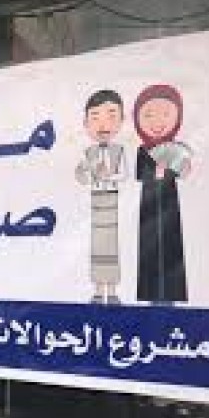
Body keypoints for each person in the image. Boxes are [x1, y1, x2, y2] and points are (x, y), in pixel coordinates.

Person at [133, 84, 191, 303]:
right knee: (149, 250)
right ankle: (151, 296)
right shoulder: (143, 149)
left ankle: (170, 296)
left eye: (165, 114)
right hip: (148, 203)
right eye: (148, 115)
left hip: (168, 201)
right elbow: (140, 174)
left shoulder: (176, 148)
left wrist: (175, 168)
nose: (157, 122)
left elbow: (182, 172)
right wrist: (157, 169)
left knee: (170, 248)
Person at [75, 89, 128, 304]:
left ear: (122, 120)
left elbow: (123, 174)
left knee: (111, 248)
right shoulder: (88, 153)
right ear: (86, 123)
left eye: (111, 116)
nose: (103, 124)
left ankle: (112, 292)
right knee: (97, 249)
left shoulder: (120, 150)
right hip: (96, 201)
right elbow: (82, 177)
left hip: (112, 200)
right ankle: (98, 291)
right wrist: (88, 172)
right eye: (95, 117)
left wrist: (109, 175)